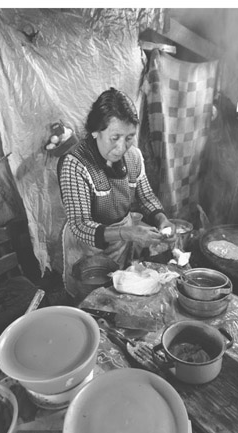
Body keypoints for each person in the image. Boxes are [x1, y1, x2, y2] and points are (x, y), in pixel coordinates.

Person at [58, 87, 175, 300]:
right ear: (96, 131)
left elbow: (146, 196)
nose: (122, 147)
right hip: (88, 250)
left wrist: (162, 220)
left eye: (129, 137)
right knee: (91, 302)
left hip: (121, 243)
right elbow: (80, 224)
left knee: (119, 296)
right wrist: (127, 233)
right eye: (115, 137)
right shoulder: (75, 164)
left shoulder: (133, 157)